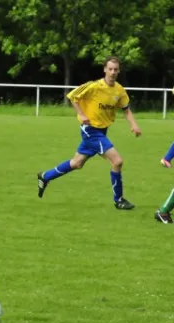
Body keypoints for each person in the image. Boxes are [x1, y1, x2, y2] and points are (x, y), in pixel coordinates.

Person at [36, 56, 142, 209]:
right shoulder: (94, 86)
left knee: (77, 163)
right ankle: (118, 200)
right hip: (91, 131)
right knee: (117, 161)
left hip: (102, 131)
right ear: (104, 69)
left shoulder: (119, 90)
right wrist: (81, 114)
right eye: (110, 69)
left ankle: (45, 176)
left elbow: (126, 110)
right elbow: (73, 96)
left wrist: (134, 125)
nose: (112, 72)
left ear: (119, 71)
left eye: (115, 69)